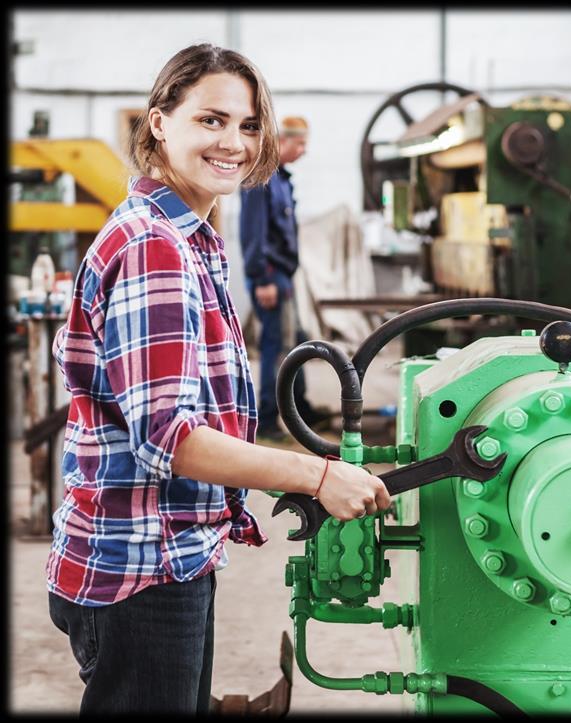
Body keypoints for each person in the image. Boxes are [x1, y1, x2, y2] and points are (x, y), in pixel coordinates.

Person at [46, 44, 390, 715]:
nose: (233, 142)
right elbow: (174, 439)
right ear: (158, 123)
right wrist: (319, 475)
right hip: (142, 567)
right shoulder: (155, 246)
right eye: (211, 120)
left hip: (164, 550)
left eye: (249, 124)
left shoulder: (186, 235)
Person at [240, 115, 325, 441]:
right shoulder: (260, 180)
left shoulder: (280, 179)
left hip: (282, 277)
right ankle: (267, 418)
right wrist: (262, 279)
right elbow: (253, 234)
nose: (303, 151)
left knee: (297, 341)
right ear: (282, 141)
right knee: (277, 348)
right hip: (270, 278)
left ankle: (300, 408)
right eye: (300, 144)